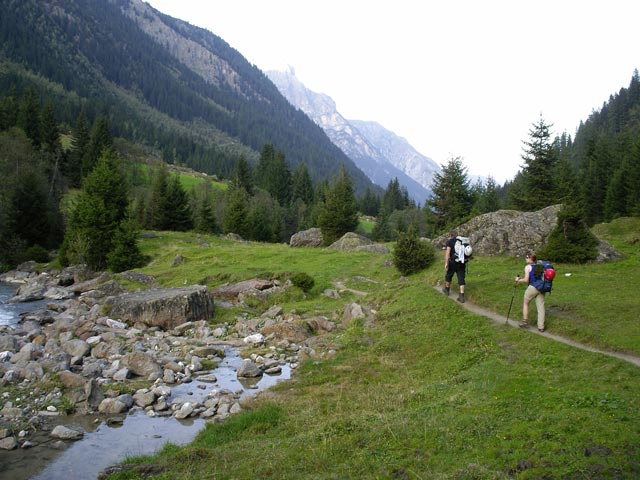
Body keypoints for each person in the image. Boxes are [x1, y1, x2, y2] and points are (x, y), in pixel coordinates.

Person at [514, 251, 546, 332]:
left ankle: (525, 322)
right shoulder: (540, 266)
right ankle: (541, 327)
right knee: (541, 306)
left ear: (530, 258)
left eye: (526, 257)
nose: (525, 259)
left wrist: (518, 280)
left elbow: (526, 280)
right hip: (542, 287)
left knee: (525, 303)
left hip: (533, 287)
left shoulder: (528, 267)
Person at [442, 230, 466, 303]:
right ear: (457, 234)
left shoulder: (449, 242)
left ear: (450, 235)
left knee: (448, 276)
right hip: (461, 262)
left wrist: (446, 263)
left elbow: (448, 253)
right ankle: (461, 296)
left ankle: (447, 290)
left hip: (452, 263)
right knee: (461, 278)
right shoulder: (462, 241)